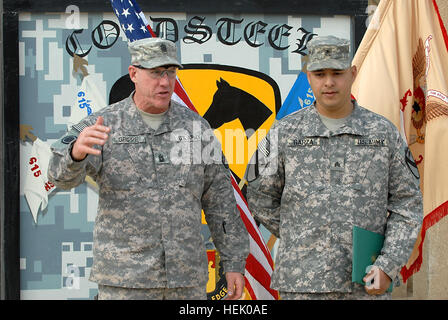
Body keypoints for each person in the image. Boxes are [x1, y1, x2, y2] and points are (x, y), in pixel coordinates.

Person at [48, 37, 249, 300]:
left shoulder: (196, 128)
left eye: (170, 72)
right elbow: (58, 177)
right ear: (134, 73)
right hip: (126, 281)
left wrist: (233, 262)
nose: (165, 82)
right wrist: (75, 154)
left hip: (186, 281)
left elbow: (220, 201)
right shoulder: (103, 124)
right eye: (155, 73)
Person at [245, 35, 423, 300]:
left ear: (352, 74)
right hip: (301, 283)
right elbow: (259, 195)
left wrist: (387, 265)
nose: (328, 82)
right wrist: (300, 231)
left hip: (365, 284)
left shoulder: (384, 133)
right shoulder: (284, 133)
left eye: (337, 73)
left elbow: (408, 204)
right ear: (309, 77)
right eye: (320, 73)